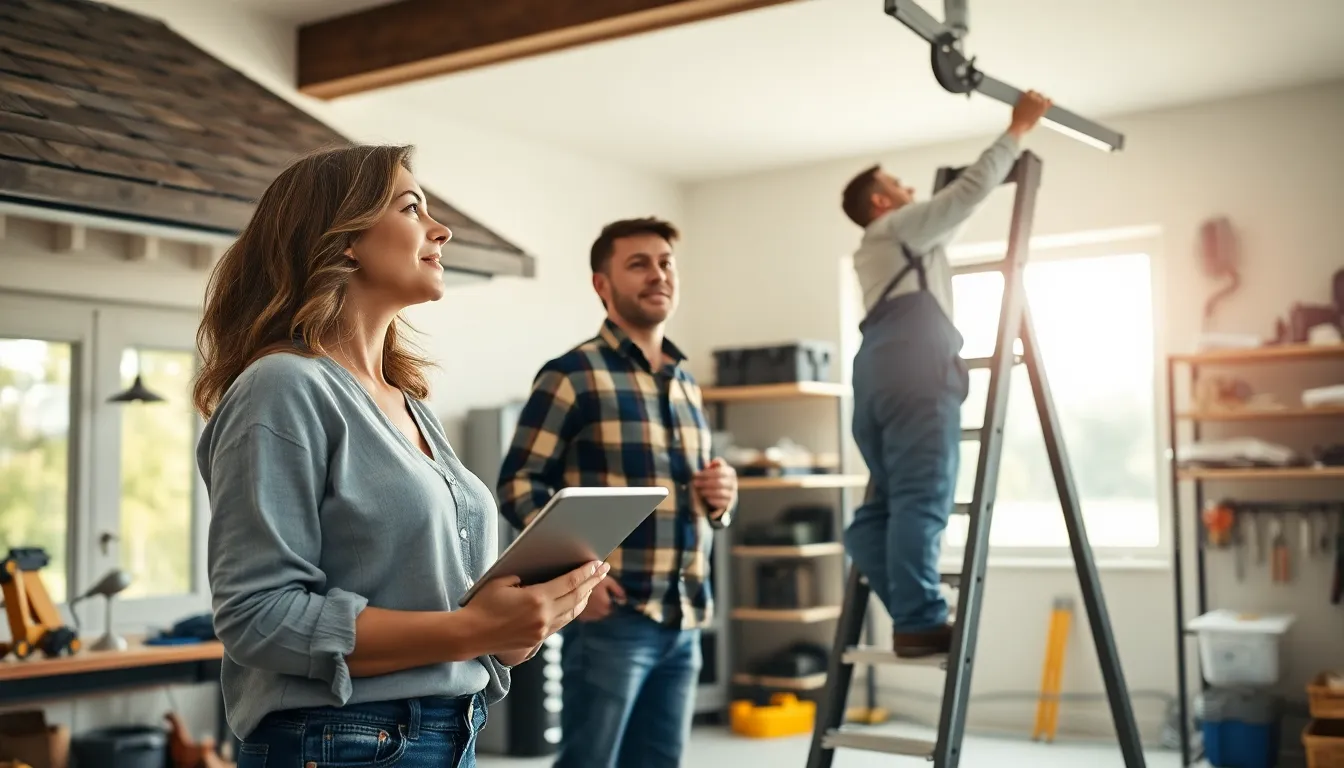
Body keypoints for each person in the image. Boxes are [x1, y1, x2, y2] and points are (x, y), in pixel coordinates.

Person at [194, 144, 607, 768]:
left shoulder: (407, 401)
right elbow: (259, 616)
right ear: (344, 239)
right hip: (341, 743)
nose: (441, 230)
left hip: (448, 732)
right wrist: (475, 630)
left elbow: (439, 610)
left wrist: (509, 631)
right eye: (412, 208)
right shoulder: (282, 386)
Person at [496, 217, 739, 768]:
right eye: (639, 264)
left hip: (684, 613)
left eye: (665, 262)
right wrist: (577, 576)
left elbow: (696, 497)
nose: (658, 275)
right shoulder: (571, 375)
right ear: (602, 286)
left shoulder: (685, 379)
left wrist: (723, 498)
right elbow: (517, 486)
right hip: (612, 614)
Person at [837, 91, 1054, 658]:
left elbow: (948, 219)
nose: (913, 192)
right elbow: (968, 193)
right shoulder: (897, 228)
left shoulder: (883, 247)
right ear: (883, 201)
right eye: (902, 186)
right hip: (915, 365)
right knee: (922, 499)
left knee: (881, 511)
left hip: (877, 369)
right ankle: (919, 620)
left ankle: (912, 615)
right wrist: (1017, 130)